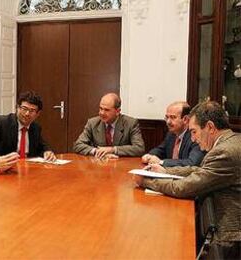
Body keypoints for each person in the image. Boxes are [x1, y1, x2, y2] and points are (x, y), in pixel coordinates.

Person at [133, 101, 241, 257]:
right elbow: (200, 170)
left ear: (210, 127)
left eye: (194, 132)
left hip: (230, 235)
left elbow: (184, 188)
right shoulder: (229, 142)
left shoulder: (224, 152)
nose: (193, 139)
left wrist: (146, 181)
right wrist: (165, 170)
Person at [0, 91, 56, 161]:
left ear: (38, 113)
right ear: (17, 107)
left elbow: (43, 147)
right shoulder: (1, 122)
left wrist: (47, 152)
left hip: (28, 168)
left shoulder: (35, 127)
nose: (27, 113)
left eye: (32, 111)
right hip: (6, 168)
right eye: (24, 108)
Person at [73, 93, 145, 158]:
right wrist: (96, 151)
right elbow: (78, 145)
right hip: (98, 166)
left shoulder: (130, 123)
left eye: (106, 110)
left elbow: (139, 148)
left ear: (117, 111)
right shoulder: (92, 123)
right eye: (100, 108)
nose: (102, 113)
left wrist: (113, 150)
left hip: (121, 166)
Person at [141, 101, 205, 167]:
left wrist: (161, 162)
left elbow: (192, 162)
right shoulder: (171, 134)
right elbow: (160, 150)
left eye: (173, 117)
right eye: (167, 117)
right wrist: (149, 156)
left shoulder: (195, 136)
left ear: (185, 119)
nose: (168, 122)